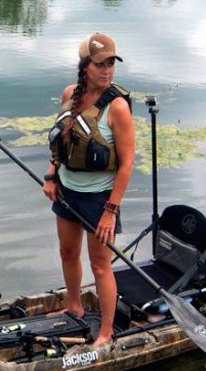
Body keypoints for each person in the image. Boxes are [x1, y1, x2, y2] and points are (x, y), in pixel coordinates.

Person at [43, 32, 135, 346]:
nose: (107, 70)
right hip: (68, 191)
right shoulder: (70, 94)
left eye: (111, 63)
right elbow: (62, 142)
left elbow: (126, 164)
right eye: (99, 64)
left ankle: (106, 333)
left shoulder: (118, 107)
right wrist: (52, 175)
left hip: (100, 199)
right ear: (85, 66)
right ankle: (74, 305)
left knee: (100, 264)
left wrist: (110, 211)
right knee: (67, 252)